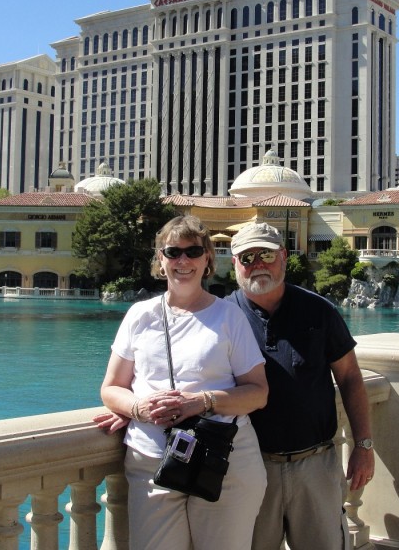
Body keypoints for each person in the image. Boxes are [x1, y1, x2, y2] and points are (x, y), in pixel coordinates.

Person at [95, 215, 268, 550]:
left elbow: (258, 392)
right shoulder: (139, 316)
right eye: (173, 252)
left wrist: (203, 401)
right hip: (151, 462)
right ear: (161, 259)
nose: (183, 260)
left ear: (207, 259)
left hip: (225, 459)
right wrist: (137, 408)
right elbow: (111, 388)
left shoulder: (229, 317)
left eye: (193, 251)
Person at [226, 221, 375, 550]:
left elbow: (350, 377)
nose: (258, 264)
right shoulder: (222, 317)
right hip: (249, 468)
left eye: (266, 254)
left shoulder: (319, 311)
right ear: (234, 263)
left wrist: (363, 446)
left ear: (284, 256)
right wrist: (132, 408)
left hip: (316, 465)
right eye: (247, 258)